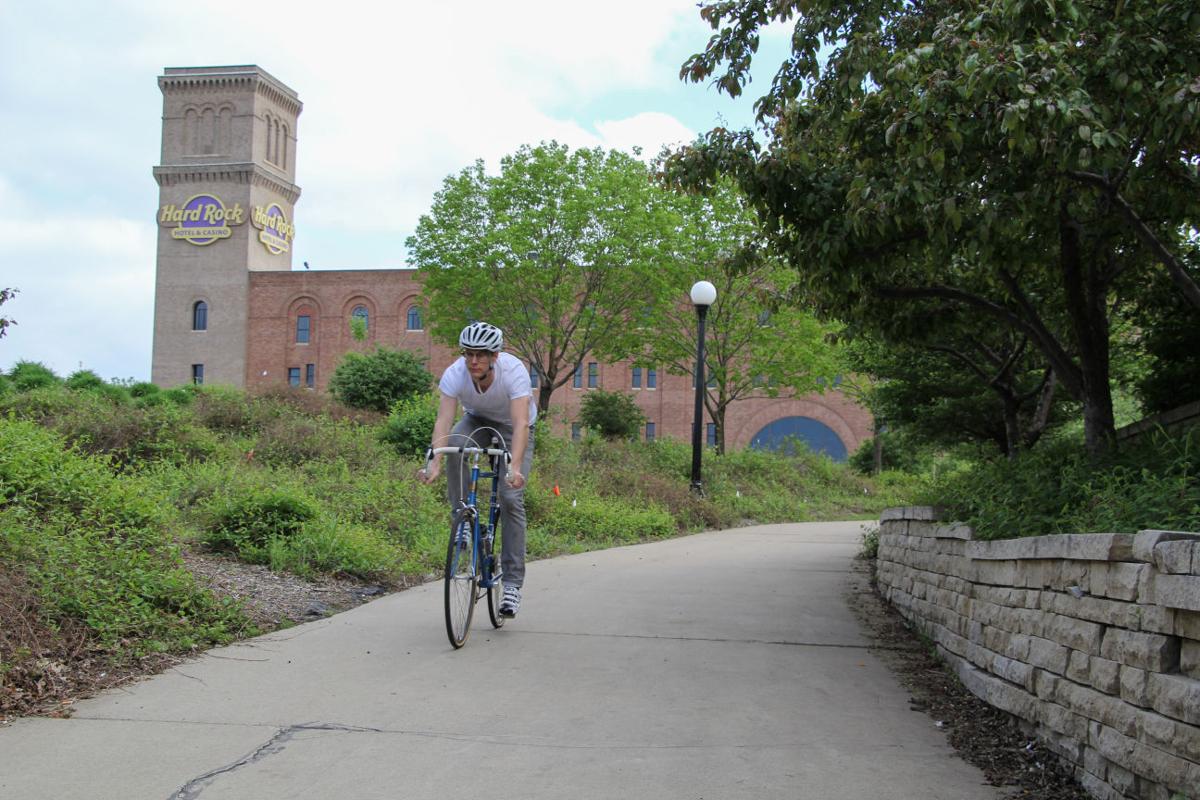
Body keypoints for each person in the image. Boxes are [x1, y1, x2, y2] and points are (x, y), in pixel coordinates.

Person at [420, 322, 535, 617]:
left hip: (513, 427)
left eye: (481, 355)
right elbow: (443, 421)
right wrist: (434, 462)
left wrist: (515, 468)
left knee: (510, 499)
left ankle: (511, 585)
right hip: (477, 420)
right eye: (469, 354)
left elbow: (521, 423)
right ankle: (463, 520)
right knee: (456, 443)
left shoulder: (514, 372)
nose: (473, 361)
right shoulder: (455, 374)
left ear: (494, 356)